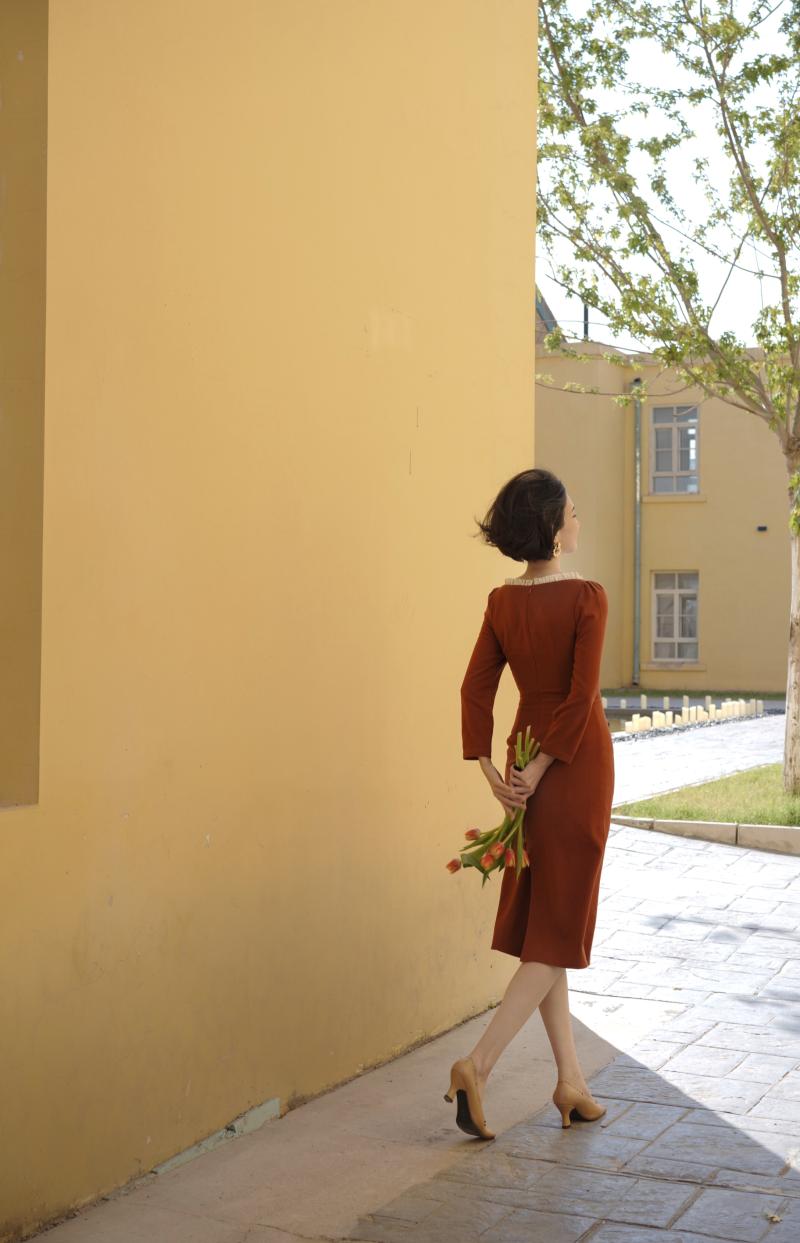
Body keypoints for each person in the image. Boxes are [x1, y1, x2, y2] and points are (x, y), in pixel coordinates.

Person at [444, 468, 614, 1140]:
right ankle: (478, 1065)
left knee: (549, 920)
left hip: (523, 758)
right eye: (572, 511)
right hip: (572, 765)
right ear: (551, 526)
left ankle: (571, 1081)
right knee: (560, 928)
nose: (579, 520)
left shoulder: (501, 602)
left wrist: (493, 767)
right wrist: (543, 767)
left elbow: (473, 690)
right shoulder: (588, 598)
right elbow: (581, 697)